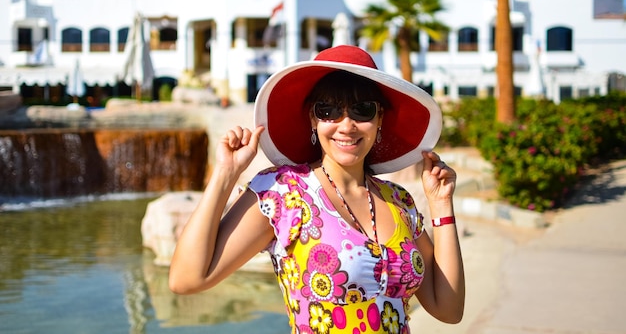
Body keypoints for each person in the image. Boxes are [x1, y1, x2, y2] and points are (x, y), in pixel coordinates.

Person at [169, 45, 465, 333]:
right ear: (313, 119)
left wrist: (441, 206)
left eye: (362, 110)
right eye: (328, 110)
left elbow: (448, 309)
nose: (346, 125)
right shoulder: (284, 192)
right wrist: (225, 174)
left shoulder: (399, 200)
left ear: (379, 119)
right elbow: (186, 279)